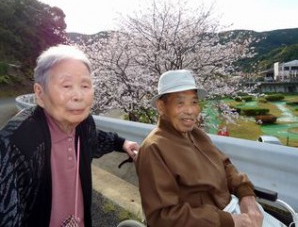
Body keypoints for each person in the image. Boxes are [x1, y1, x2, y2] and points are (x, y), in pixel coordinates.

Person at [0, 44, 139, 227]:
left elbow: (95, 139)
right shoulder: (16, 142)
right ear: (40, 94)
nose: (78, 95)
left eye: (85, 85)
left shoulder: (84, 124)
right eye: (66, 85)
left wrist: (122, 143)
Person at [136, 70, 285, 227]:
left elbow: (225, 166)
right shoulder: (154, 149)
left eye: (194, 102)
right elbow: (162, 216)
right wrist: (229, 220)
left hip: (233, 210)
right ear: (161, 107)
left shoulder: (196, 134)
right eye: (180, 103)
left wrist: (246, 195)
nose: (190, 110)